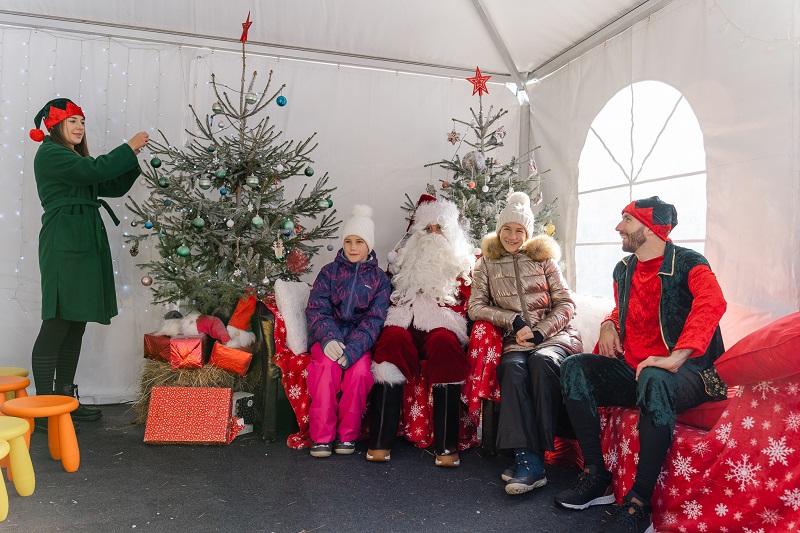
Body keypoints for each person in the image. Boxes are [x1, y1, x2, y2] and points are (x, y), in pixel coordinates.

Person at [553, 196, 727, 533]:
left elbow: (712, 303)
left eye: (627, 221)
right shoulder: (624, 269)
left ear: (651, 228)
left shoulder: (690, 263)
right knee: (575, 368)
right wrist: (609, 325)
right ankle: (596, 476)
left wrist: (677, 355)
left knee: (654, 375)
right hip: (636, 369)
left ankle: (638, 505)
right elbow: (623, 310)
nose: (619, 227)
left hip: (691, 373)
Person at [29, 98, 149, 424]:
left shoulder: (73, 159)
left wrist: (131, 158)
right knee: (57, 321)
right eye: (72, 121)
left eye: (82, 121)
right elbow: (94, 170)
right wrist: (127, 147)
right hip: (63, 241)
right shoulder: (51, 153)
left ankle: (65, 398)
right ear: (56, 127)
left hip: (83, 239)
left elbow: (109, 183)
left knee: (76, 322)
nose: (80, 126)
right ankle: (42, 409)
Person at [469, 191, 583, 495]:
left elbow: (567, 305)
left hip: (554, 337)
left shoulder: (544, 260)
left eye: (519, 230)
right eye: (507, 228)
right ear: (499, 229)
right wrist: (514, 321)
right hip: (515, 340)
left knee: (542, 362)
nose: (512, 235)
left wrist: (541, 331)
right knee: (512, 369)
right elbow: (476, 307)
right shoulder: (487, 264)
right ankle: (529, 460)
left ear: (528, 233)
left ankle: (532, 459)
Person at [366, 195, 475, 467]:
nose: (434, 235)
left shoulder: (463, 264)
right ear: (417, 232)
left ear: (451, 232)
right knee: (391, 341)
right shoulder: (402, 261)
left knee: (445, 347)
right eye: (428, 229)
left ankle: (446, 446)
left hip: (443, 322)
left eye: (440, 228)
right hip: (404, 319)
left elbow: (472, 301)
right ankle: (380, 441)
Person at [305, 205, 392, 457]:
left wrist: (354, 349)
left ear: (369, 245)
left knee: (361, 374)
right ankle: (321, 437)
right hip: (328, 338)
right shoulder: (328, 273)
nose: (353, 247)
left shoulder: (379, 279)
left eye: (359, 242)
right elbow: (317, 308)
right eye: (348, 241)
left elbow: (375, 319)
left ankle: (347, 435)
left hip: (358, 342)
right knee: (325, 370)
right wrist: (328, 337)